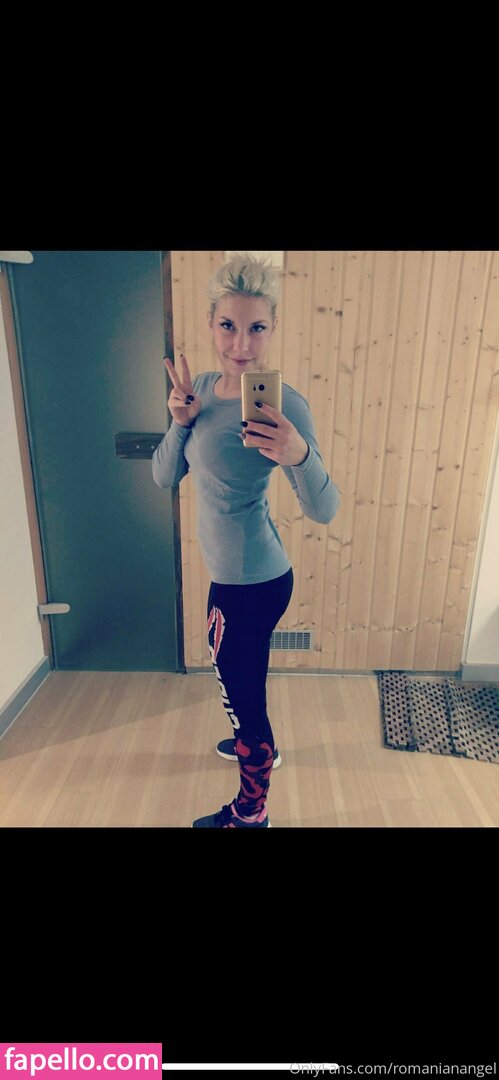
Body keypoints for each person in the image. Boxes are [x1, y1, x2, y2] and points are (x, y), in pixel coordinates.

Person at [152, 253, 340, 827]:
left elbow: (324, 509)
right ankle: (256, 742)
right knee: (244, 684)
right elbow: (164, 475)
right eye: (228, 326)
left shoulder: (285, 404)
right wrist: (180, 420)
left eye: (256, 327)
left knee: (242, 701)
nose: (241, 344)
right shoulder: (198, 392)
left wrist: (299, 455)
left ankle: (250, 813)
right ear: (211, 325)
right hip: (235, 576)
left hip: (251, 584)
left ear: (272, 328)